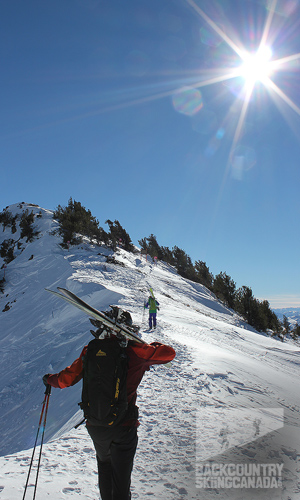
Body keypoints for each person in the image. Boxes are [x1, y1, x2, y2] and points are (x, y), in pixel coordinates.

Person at [43, 322, 175, 500]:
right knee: (121, 480)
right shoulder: (135, 351)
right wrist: (148, 344)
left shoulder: (91, 349)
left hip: (96, 425)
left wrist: (49, 380)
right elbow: (169, 354)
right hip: (123, 426)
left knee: (105, 468)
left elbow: (65, 380)